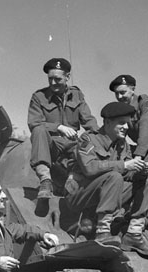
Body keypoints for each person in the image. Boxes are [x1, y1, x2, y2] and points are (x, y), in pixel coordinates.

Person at [65, 101, 148, 256]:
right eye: (121, 123)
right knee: (114, 176)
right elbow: (90, 168)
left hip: (106, 194)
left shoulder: (122, 145)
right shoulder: (88, 139)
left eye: (127, 123)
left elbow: (126, 174)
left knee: (147, 182)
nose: (127, 127)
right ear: (107, 122)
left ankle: (134, 234)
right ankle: (103, 231)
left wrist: (139, 171)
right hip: (79, 197)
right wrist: (125, 165)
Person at [28, 57, 98, 199]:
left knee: (92, 143)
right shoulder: (39, 97)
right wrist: (58, 127)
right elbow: (34, 123)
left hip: (72, 144)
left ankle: (72, 182)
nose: (53, 83)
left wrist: (98, 138)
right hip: (51, 145)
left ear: (67, 77)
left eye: (57, 79)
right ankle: (45, 181)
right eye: (50, 79)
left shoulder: (77, 95)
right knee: (39, 130)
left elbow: (89, 121)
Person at [109, 74, 148, 160]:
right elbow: (113, 134)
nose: (119, 97)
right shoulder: (121, 110)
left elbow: (146, 131)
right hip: (141, 148)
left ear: (133, 90)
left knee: (140, 167)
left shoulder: (144, 104)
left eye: (123, 93)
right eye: (116, 93)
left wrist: (138, 156)